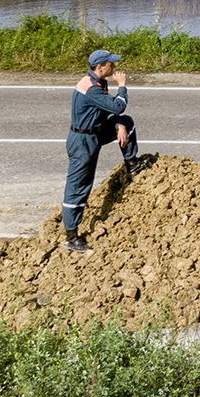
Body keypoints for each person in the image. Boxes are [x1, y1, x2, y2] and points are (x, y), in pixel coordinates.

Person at [61, 49, 142, 253]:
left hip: (94, 132)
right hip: (83, 141)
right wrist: (122, 86)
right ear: (100, 67)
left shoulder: (98, 83)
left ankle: (132, 165)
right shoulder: (91, 89)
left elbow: (109, 112)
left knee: (126, 122)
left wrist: (118, 124)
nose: (113, 67)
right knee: (79, 187)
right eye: (110, 64)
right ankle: (71, 237)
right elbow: (118, 105)